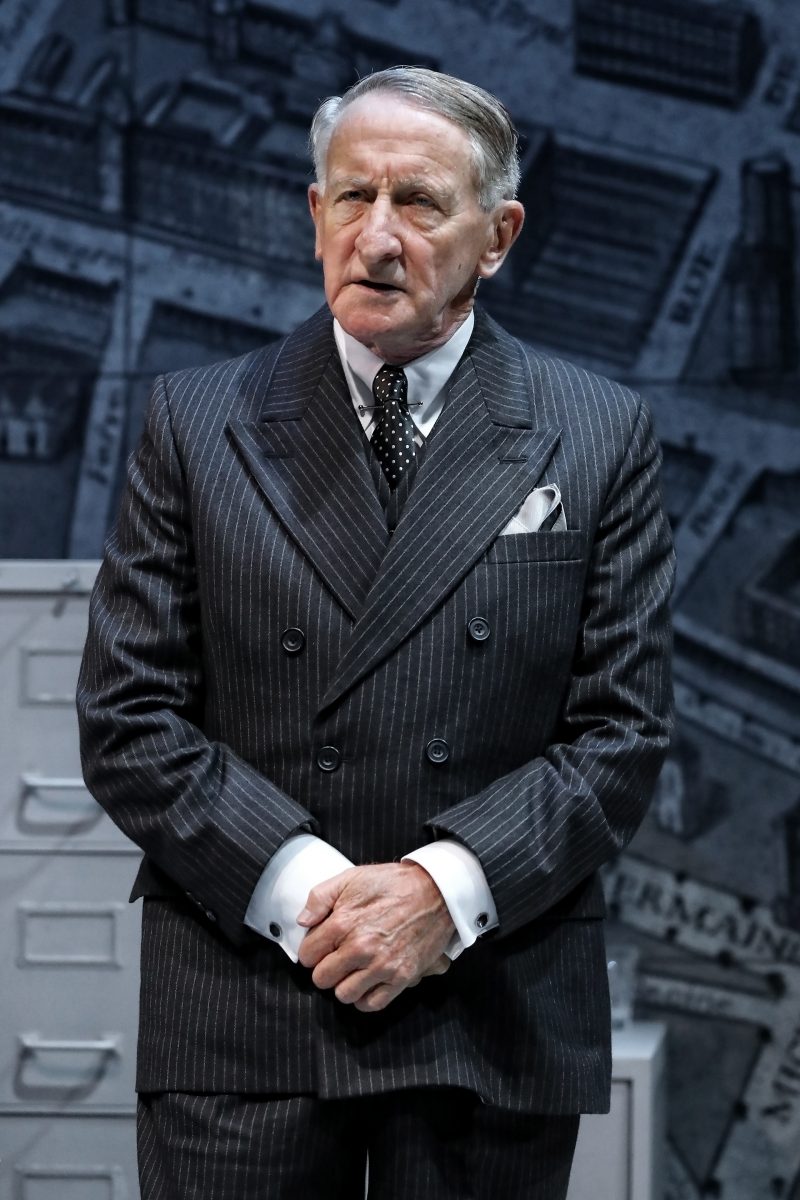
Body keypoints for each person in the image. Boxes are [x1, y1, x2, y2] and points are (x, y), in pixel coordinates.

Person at [77, 66, 674, 1200]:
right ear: (314, 218)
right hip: (245, 994)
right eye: (352, 199)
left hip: (483, 998)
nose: (379, 239)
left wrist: (437, 896)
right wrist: (317, 895)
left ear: (496, 236)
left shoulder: (597, 435)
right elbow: (127, 716)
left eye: (418, 203)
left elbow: (620, 734)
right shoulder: (194, 423)